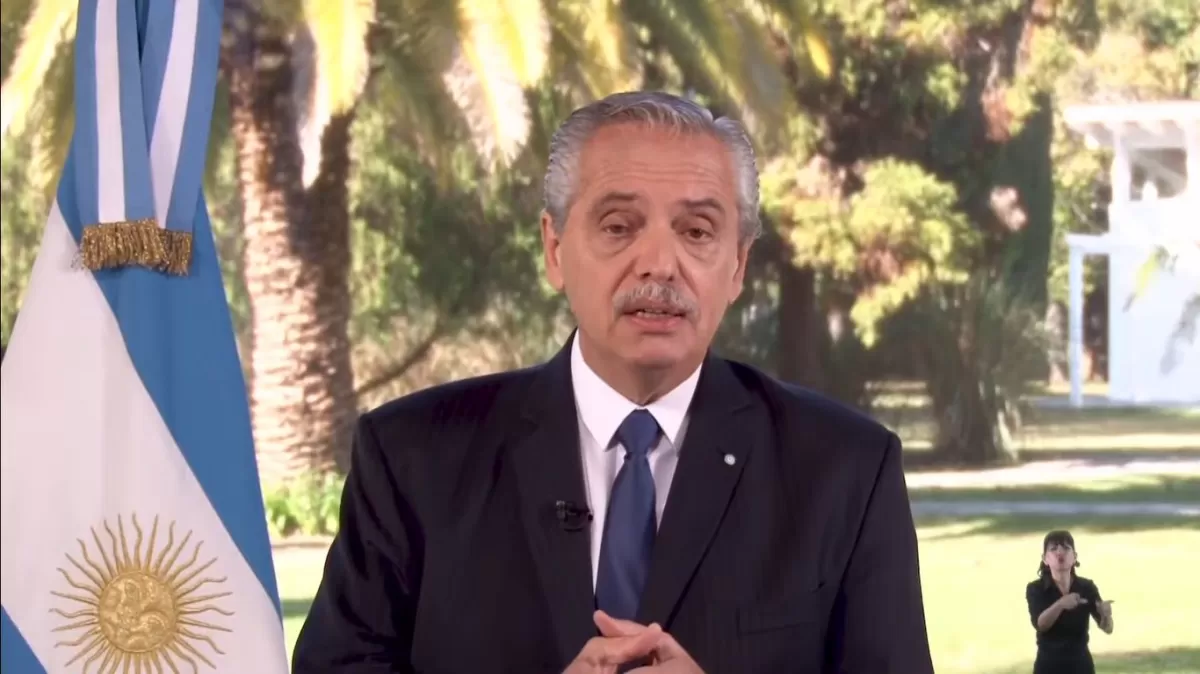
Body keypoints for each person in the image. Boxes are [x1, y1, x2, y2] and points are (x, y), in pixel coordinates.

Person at [291, 91, 933, 674]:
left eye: (697, 231)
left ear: (737, 265)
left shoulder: (846, 470)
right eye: (619, 226)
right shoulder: (412, 460)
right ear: (554, 250)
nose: (659, 264)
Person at [1025, 530, 1114, 674]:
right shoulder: (1036, 589)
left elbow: (1107, 628)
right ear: (1045, 559)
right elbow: (1040, 625)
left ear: (1074, 557)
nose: (1060, 552)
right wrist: (1061, 604)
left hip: (1081, 666)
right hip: (1048, 666)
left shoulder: (1086, 587)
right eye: (1053, 548)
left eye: (1066, 548)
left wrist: (1106, 615)